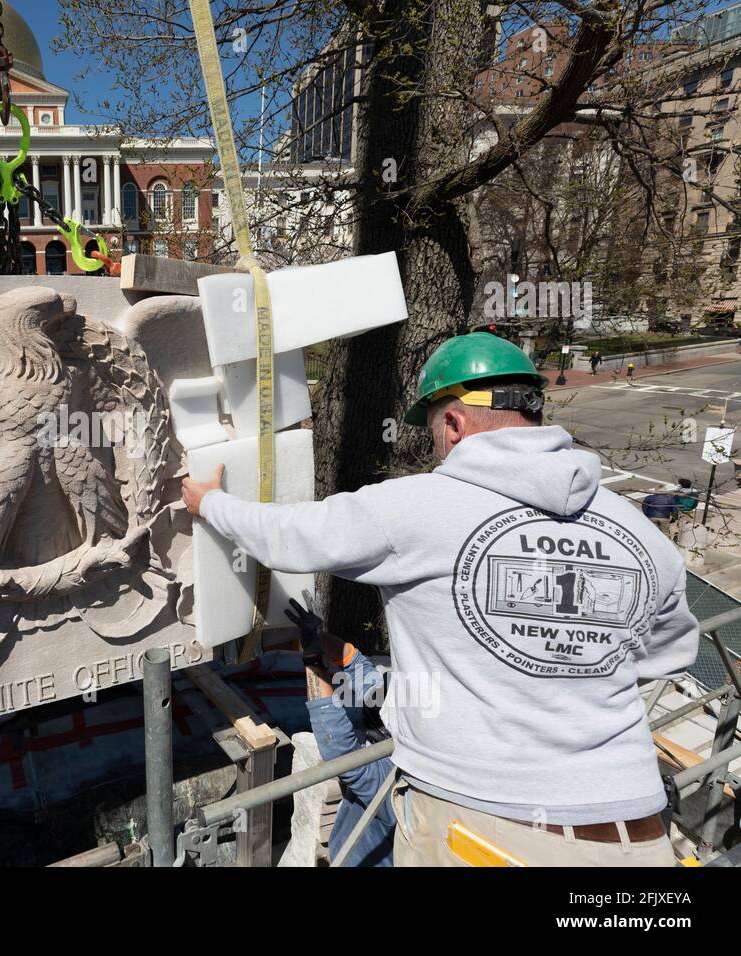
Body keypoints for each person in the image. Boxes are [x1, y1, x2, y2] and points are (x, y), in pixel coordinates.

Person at [182, 332, 699, 866]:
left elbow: (288, 537)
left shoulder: (418, 508)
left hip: (486, 825)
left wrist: (212, 502)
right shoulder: (635, 528)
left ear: (453, 425)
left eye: (433, 431)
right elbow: (669, 656)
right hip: (638, 832)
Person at [288, 600, 395, 867]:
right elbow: (357, 665)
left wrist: (313, 661)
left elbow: (341, 751)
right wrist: (317, 637)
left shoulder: (399, 783)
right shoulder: (402, 715)